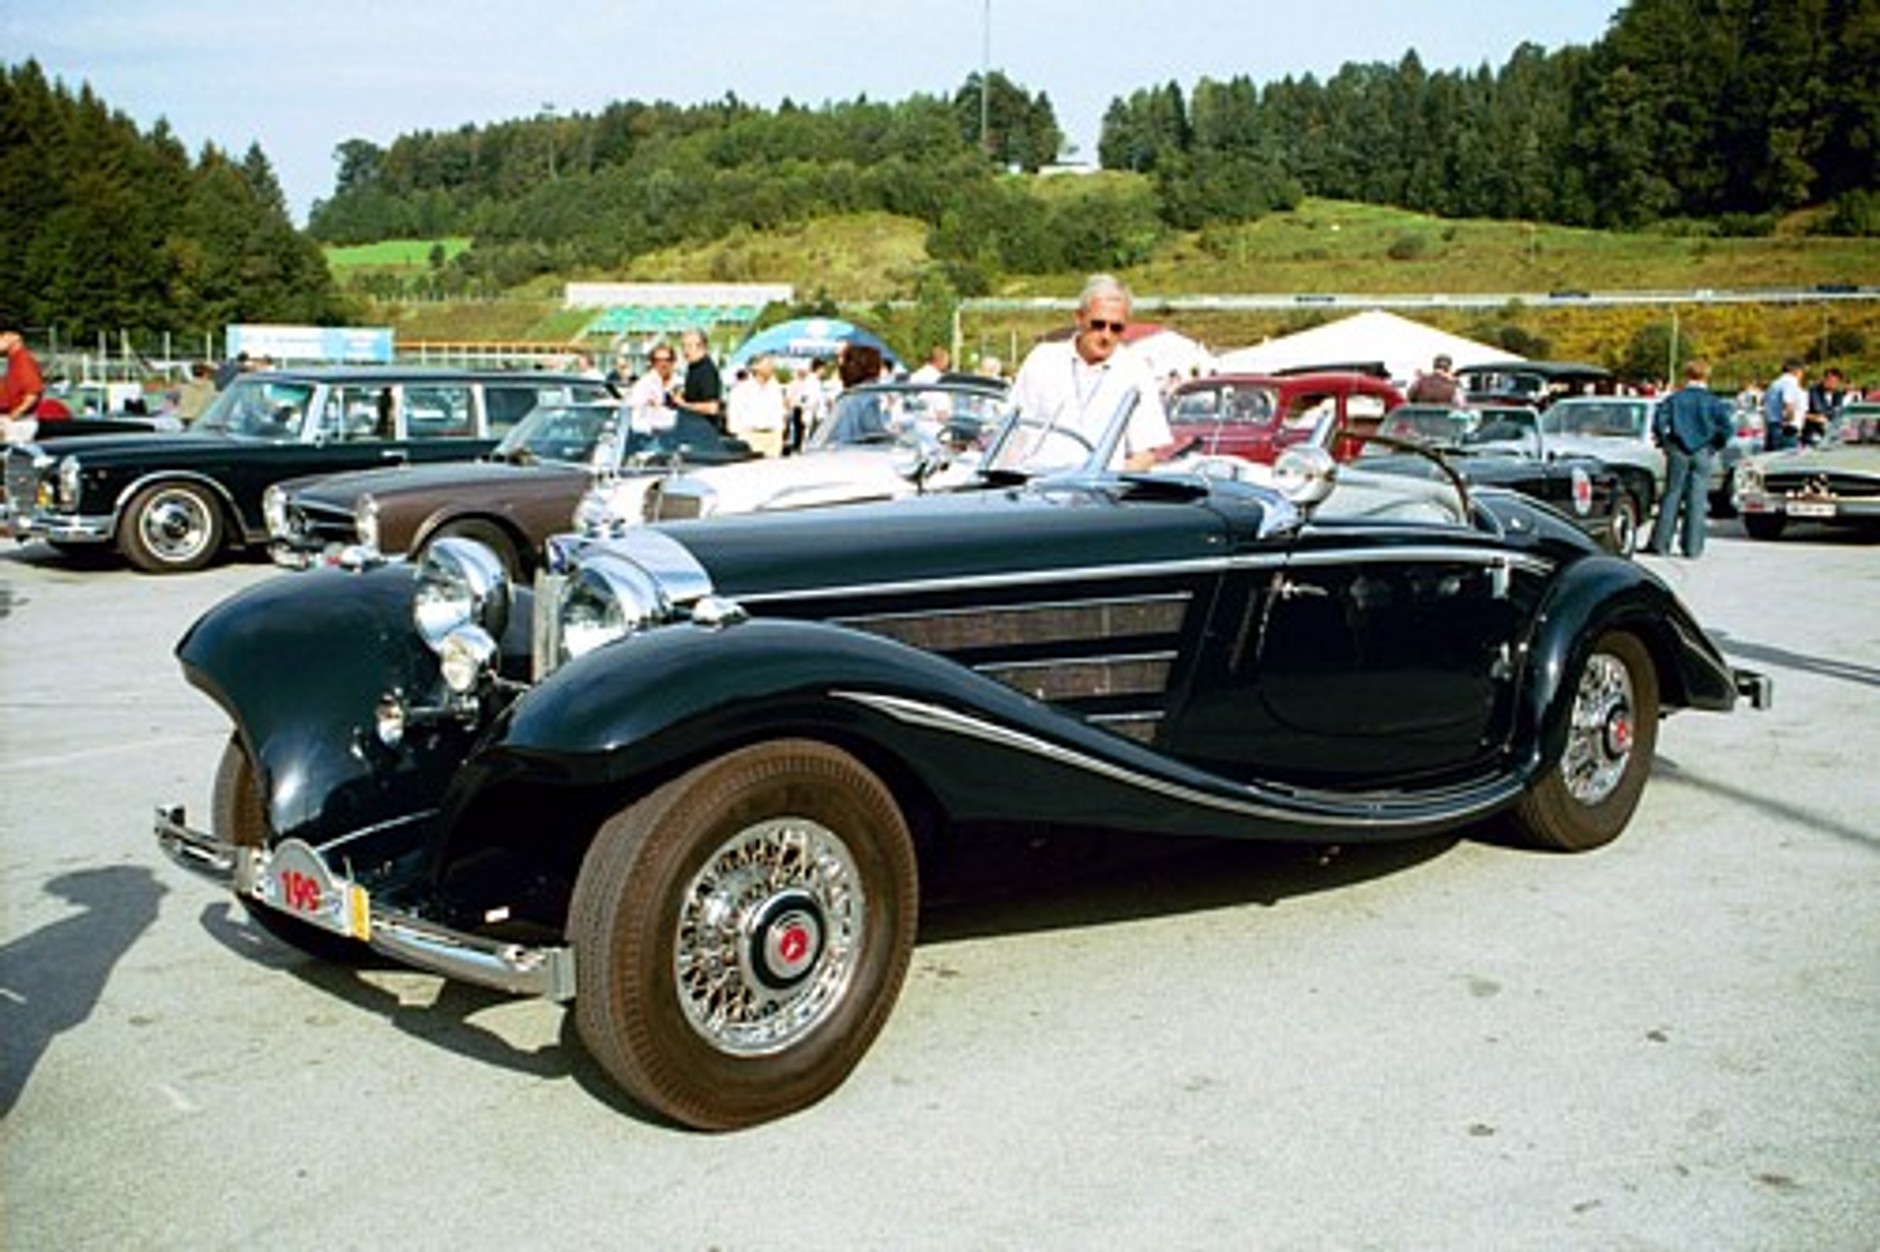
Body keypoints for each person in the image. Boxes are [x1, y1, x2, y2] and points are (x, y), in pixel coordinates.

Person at [1007, 273, 1173, 471]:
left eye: (1116, 328)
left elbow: (1145, 453)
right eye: (1098, 325)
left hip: (1097, 492)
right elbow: (1012, 433)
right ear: (1079, 318)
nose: (1106, 335)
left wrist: (1109, 478)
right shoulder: (1042, 359)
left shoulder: (1136, 371)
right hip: (1036, 488)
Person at [1647, 358, 1734, 559]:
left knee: (1671, 495)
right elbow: (1727, 428)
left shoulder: (1675, 399)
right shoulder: (1713, 401)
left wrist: (1665, 443)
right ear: (1707, 376)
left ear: (1686, 375)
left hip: (1678, 449)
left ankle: (1660, 543)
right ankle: (1692, 547)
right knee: (1697, 498)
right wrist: (1714, 446)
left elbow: (1659, 422)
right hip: (1702, 451)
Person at [726, 354, 787, 456]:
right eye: (768, 363)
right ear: (755, 367)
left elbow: (780, 412)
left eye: (772, 363)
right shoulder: (741, 390)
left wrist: (780, 432)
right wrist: (743, 435)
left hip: (773, 438)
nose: (772, 367)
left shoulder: (776, 389)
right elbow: (733, 418)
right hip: (750, 437)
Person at [0, 329, 46, 444]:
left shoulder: (23, 361)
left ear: (14, 340)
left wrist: (14, 415)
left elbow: (33, 393)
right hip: (15, 420)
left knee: (16, 458)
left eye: (1, 338)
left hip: (20, 422)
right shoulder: (13, 361)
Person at [676, 329, 724, 430]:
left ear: (702, 346)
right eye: (683, 346)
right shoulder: (693, 368)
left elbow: (712, 407)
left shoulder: (706, 370)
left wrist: (684, 405)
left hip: (705, 431)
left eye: (688, 346)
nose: (684, 351)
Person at [625, 342, 680, 421]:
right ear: (652, 363)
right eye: (658, 360)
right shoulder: (644, 384)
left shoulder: (681, 383)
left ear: (673, 362)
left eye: (667, 360)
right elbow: (631, 408)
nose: (663, 364)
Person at [784, 357, 829, 454]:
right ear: (819, 368)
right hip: (810, 413)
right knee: (806, 439)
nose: (824, 372)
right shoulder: (811, 381)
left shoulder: (815, 381)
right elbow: (806, 399)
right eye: (824, 369)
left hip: (814, 414)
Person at [1762, 357, 1807, 450]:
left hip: (1773, 427)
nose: (1802, 374)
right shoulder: (1790, 382)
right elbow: (1787, 403)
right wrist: (1790, 422)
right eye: (1802, 370)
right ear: (1796, 370)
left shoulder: (1775, 383)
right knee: (1787, 462)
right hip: (1785, 430)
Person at [1805, 367, 1846, 445]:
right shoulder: (1812, 392)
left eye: (1833, 381)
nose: (1828, 382)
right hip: (1812, 434)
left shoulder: (1838, 395)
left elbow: (1837, 412)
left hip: (1831, 434)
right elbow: (1803, 413)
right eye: (1827, 379)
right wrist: (1815, 417)